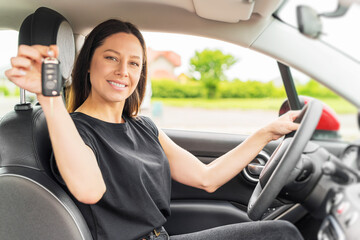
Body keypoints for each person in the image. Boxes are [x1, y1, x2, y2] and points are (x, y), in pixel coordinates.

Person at [5, 19, 303, 240]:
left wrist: (266, 133)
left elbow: (206, 178)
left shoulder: (144, 126)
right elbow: (89, 189)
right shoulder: (74, 130)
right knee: (280, 233)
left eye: (134, 63)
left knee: (281, 230)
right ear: (87, 66)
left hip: (162, 236)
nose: (124, 70)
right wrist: (49, 98)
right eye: (111, 57)